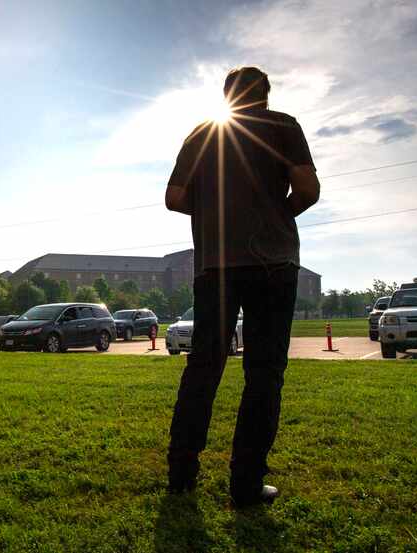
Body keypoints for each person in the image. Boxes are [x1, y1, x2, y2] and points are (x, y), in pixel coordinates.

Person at [164, 66, 320, 507]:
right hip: (273, 264)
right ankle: (246, 483)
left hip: (215, 266)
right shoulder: (283, 126)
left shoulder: (202, 134)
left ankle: (181, 473)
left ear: (227, 96)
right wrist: (275, 211)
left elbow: (175, 197)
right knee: (264, 373)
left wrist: (216, 210)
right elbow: (307, 188)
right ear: (266, 96)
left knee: (204, 366)